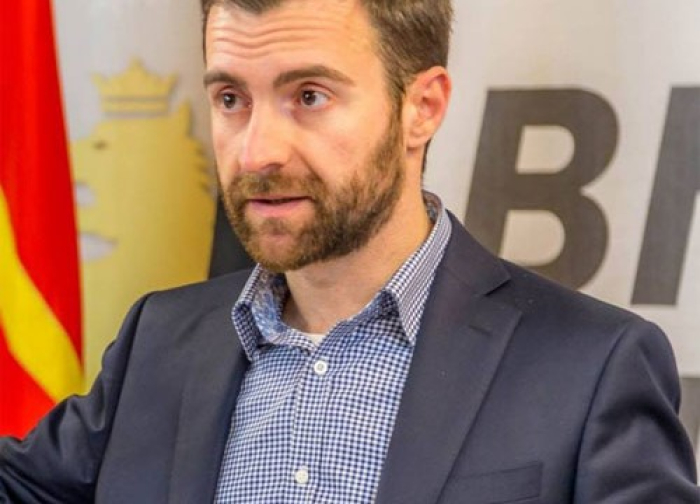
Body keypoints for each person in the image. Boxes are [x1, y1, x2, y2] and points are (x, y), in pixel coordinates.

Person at [1, 0, 698, 502]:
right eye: (232, 99)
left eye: (309, 96)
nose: (257, 152)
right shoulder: (159, 339)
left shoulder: (593, 366)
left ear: (422, 107)